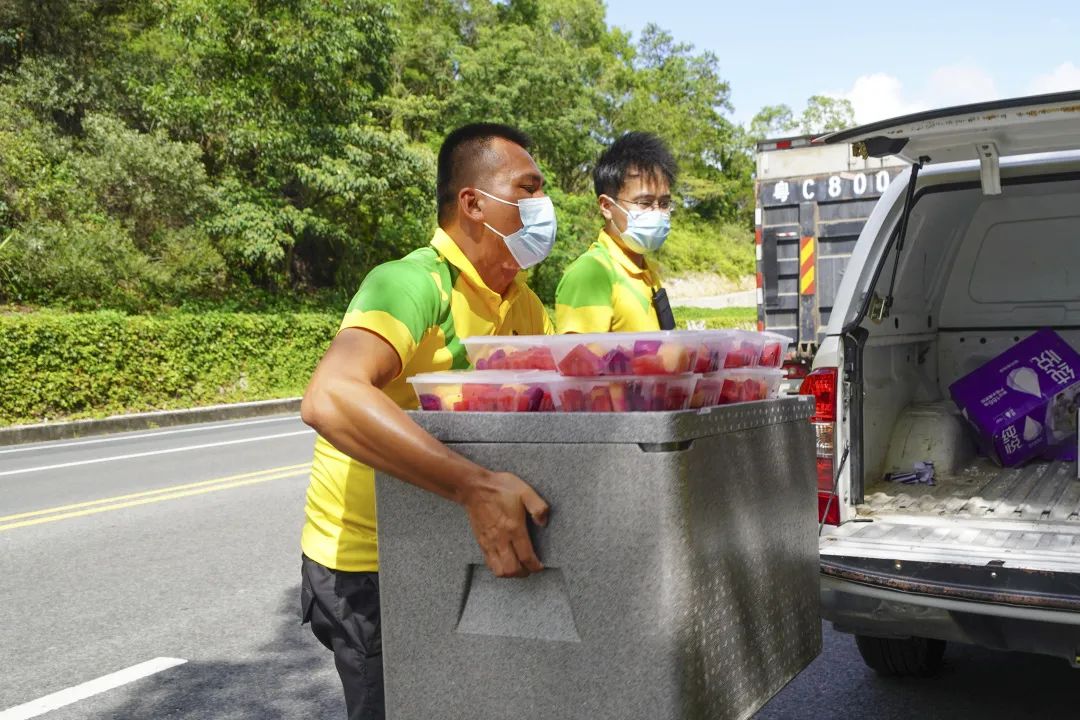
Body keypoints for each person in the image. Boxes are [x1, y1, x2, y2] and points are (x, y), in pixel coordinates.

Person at [298, 123, 556, 720]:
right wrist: (474, 487)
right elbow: (330, 397)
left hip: (453, 544)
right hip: (371, 565)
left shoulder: (525, 304)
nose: (544, 206)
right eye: (528, 189)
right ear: (473, 203)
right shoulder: (411, 283)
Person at [555, 132, 679, 333]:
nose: (657, 212)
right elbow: (579, 352)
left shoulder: (647, 271)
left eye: (664, 203)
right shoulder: (590, 274)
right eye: (645, 203)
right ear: (606, 206)